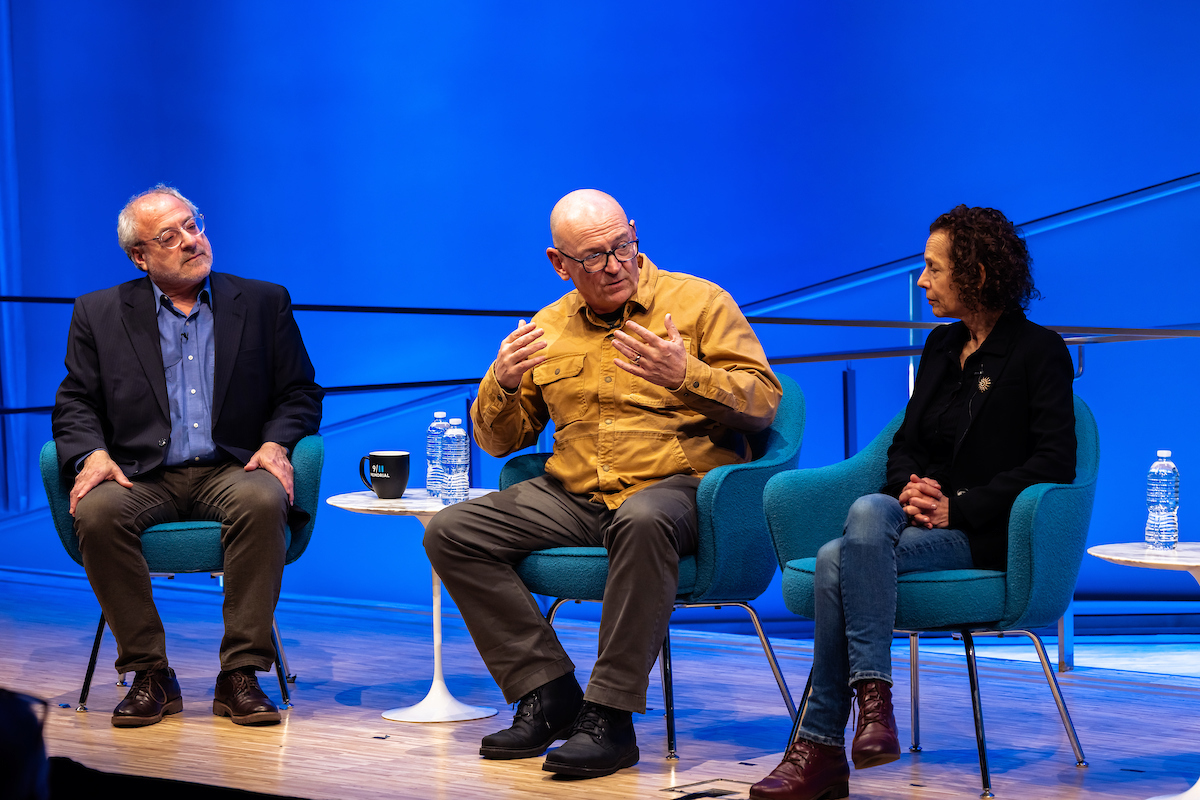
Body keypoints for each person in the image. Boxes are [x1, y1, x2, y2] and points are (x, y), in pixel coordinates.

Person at [424, 189, 781, 778]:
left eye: (623, 247)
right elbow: (501, 441)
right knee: (453, 530)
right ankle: (548, 690)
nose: (615, 265)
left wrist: (685, 374)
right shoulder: (547, 326)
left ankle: (610, 717)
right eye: (594, 257)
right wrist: (504, 383)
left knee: (641, 516)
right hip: (576, 493)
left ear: (635, 234)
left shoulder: (699, 303)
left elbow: (765, 402)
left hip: (679, 489)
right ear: (559, 263)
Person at [750, 204, 1077, 800]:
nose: (922, 281)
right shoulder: (938, 347)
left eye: (933, 268)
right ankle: (871, 709)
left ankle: (821, 746)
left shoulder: (1038, 352)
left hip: (980, 533)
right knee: (872, 509)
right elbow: (903, 445)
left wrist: (960, 504)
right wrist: (909, 487)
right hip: (911, 520)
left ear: (975, 272)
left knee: (833, 558)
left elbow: (1055, 464)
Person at [51, 184, 323, 728]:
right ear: (140, 256)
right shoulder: (99, 312)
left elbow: (300, 392)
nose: (190, 241)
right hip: (140, 474)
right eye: (169, 236)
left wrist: (275, 443)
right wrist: (92, 454)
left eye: (192, 225)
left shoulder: (264, 301)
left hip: (232, 466)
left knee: (263, 501)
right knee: (99, 513)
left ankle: (240, 674)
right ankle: (150, 672)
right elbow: (75, 401)